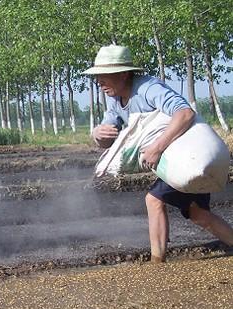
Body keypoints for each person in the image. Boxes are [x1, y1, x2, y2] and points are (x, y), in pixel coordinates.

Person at [83, 44, 233, 263]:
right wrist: (97, 134)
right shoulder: (116, 102)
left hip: (184, 153)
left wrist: (157, 147)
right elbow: (105, 140)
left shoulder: (148, 89)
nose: (99, 82)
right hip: (178, 162)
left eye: (105, 76)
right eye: (98, 77)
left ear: (124, 74)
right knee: (197, 213)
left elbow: (184, 113)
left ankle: (157, 264)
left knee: (153, 200)